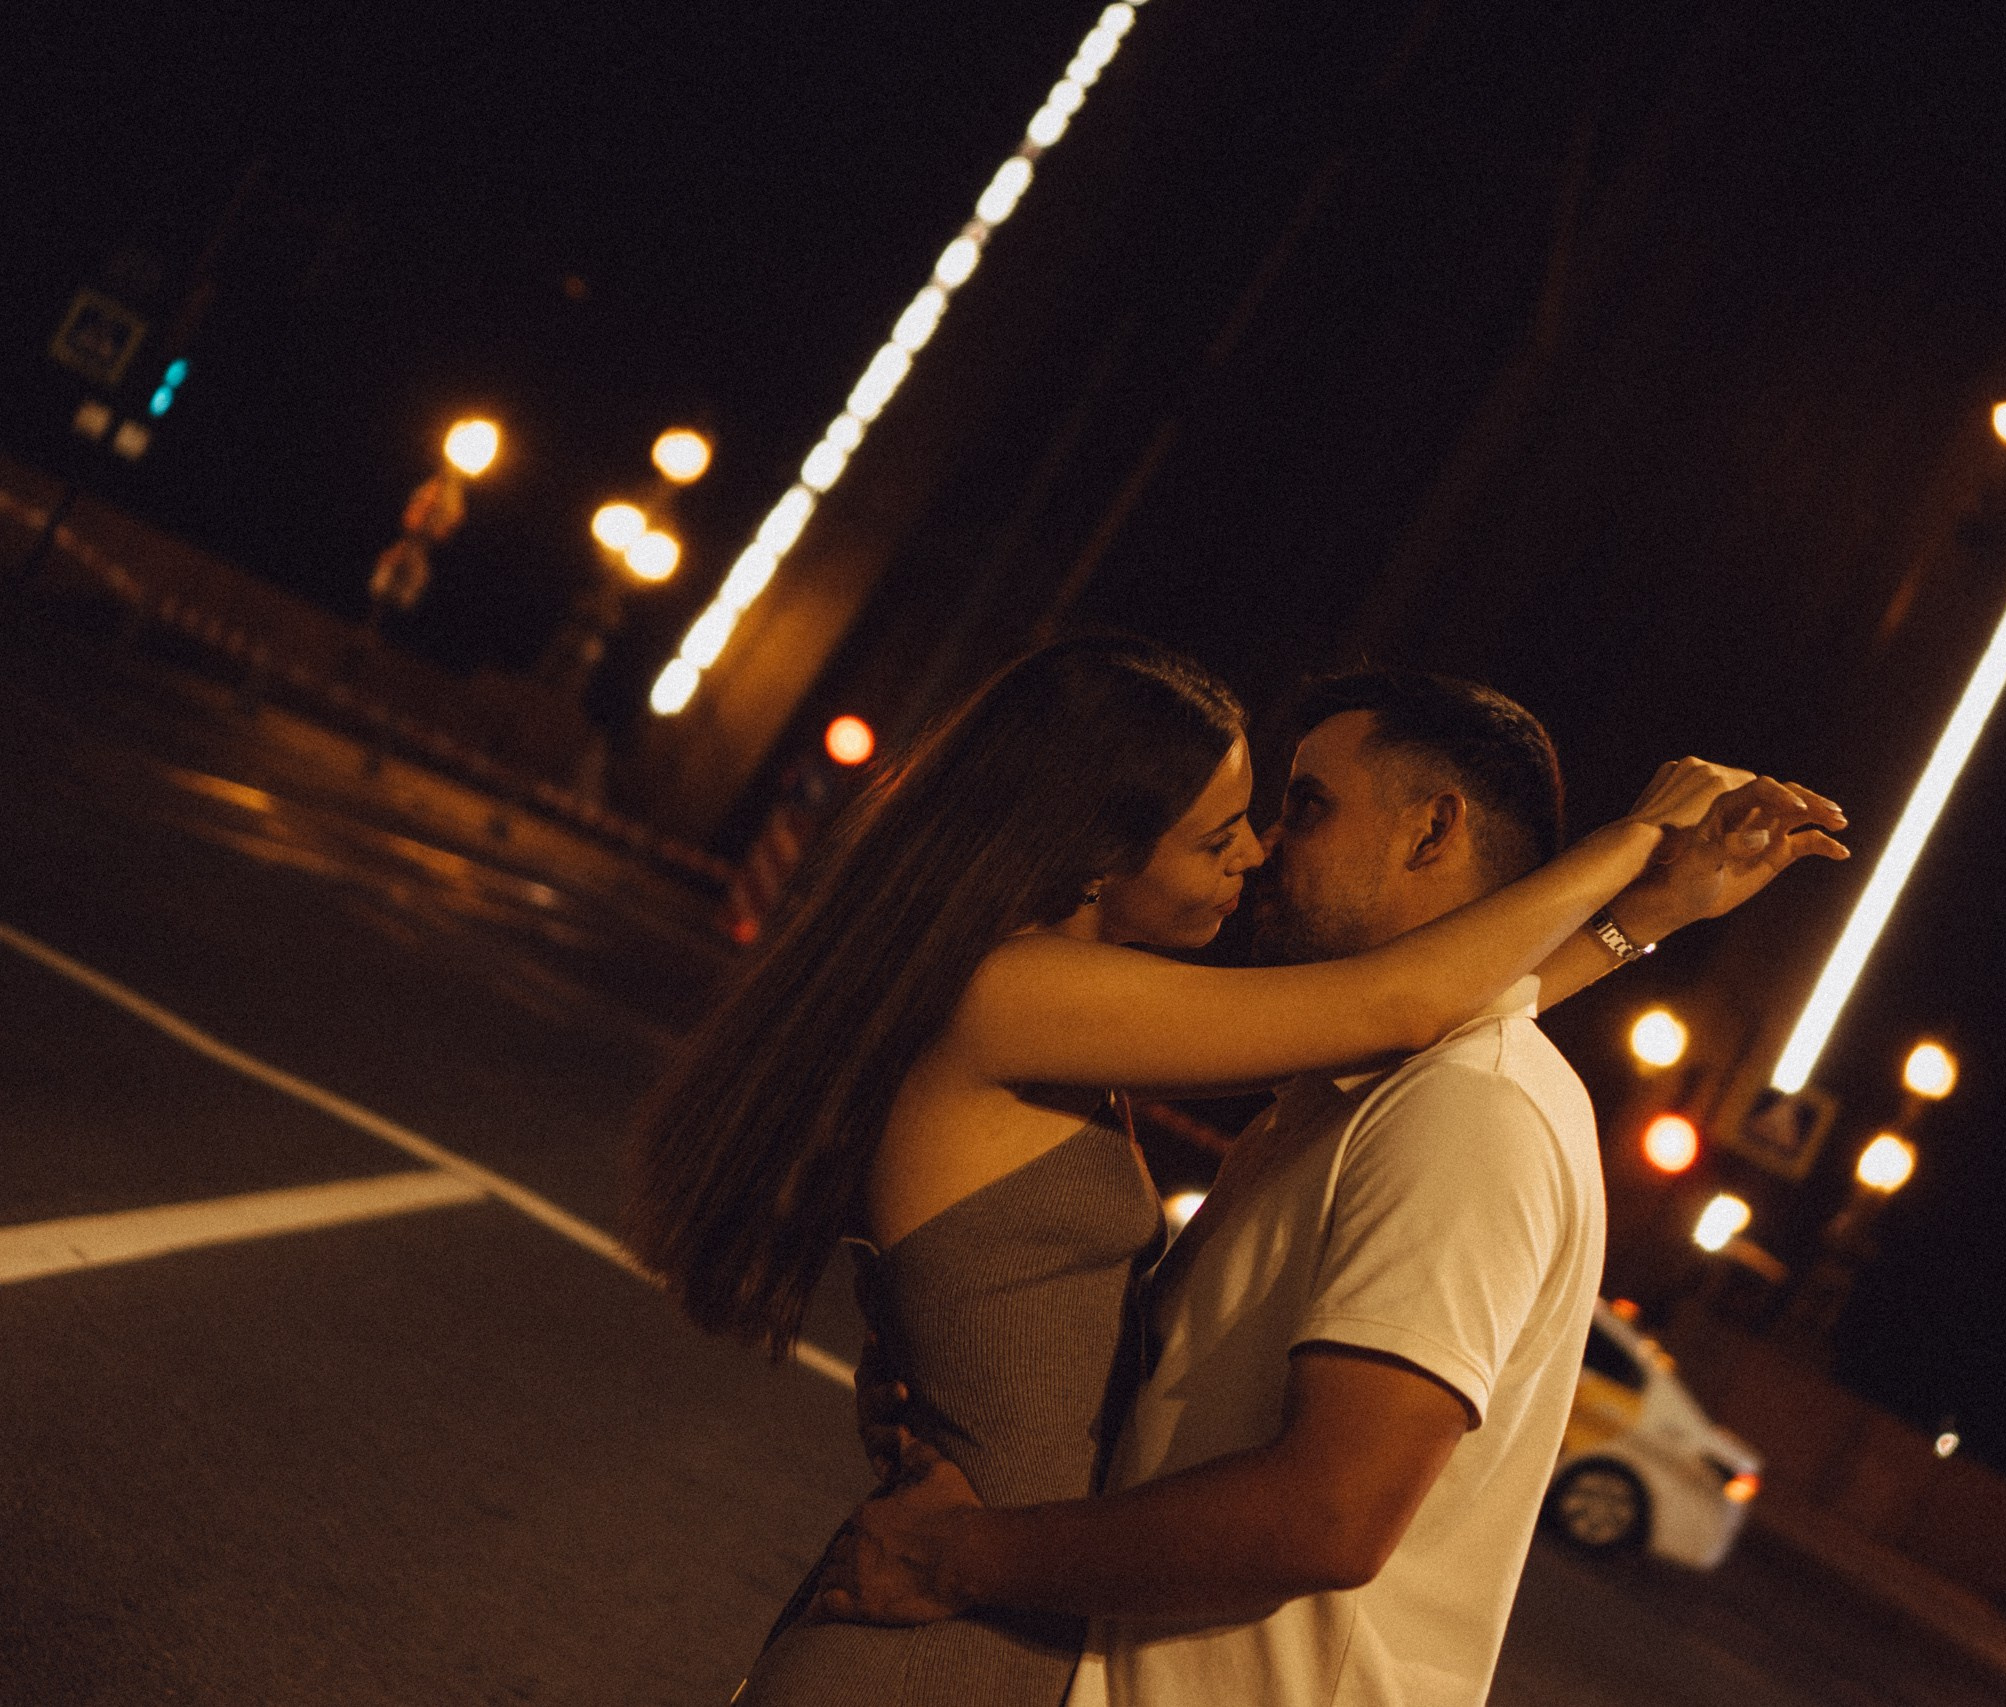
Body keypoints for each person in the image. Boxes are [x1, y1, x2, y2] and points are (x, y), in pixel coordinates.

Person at [623, 638, 1809, 1707]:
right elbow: (1399, 1011)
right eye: (1221, 832)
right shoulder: (1020, 992)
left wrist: (1632, 924)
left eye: (1292, 809)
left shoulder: (1413, 1089)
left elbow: (1434, 1042)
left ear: (1432, 828)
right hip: (943, 1637)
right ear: (1096, 851)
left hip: (982, 1616)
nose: (1257, 852)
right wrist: (1622, 857)